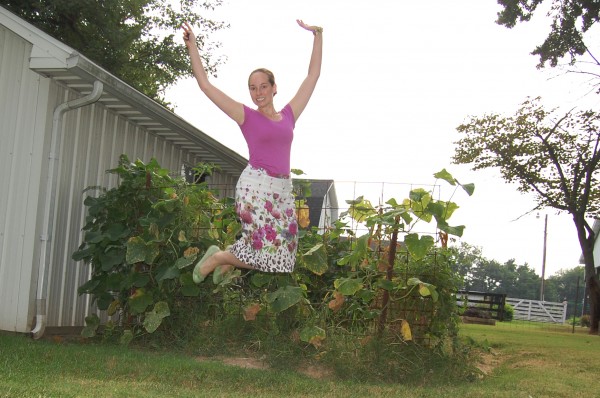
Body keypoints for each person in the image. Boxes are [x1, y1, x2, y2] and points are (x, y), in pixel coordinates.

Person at [181, 19, 323, 284]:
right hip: (256, 188)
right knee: (263, 253)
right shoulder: (246, 116)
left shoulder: (290, 115)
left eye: (263, 86)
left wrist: (318, 34)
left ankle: (223, 257)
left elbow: (312, 76)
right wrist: (193, 46)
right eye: (253, 88)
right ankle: (218, 259)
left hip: (282, 191)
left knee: (284, 256)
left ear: (274, 88)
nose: (258, 93)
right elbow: (206, 86)